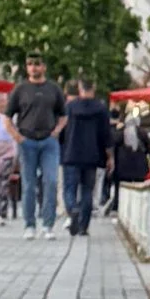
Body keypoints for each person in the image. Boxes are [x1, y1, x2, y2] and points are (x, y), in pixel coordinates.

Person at [6, 57, 65, 234]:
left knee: (51, 181)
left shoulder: (53, 89)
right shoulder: (21, 89)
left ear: (44, 67)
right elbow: (7, 116)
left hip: (48, 141)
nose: (33, 68)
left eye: (37, 64)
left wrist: (56, 131)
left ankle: (48, 224)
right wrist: (17, 136)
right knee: (29, 184)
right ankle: (29, 224)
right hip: (27, 140)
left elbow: (63, 115)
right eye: (30, 64)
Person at [60, 76, 113, 238]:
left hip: (71, 154)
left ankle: (72, 209)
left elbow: (62, 130)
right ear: (94, 88)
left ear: (80, 88)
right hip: (92, 155)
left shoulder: (70, 107)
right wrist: (110, 156)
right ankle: (83, 226)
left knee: (69, 188)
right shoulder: (101, 109)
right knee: (87, 190)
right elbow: (106, 134)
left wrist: (62, 147)